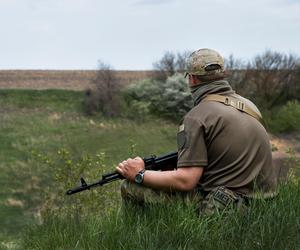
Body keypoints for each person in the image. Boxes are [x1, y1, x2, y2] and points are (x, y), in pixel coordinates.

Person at [116, 48, 277, 214]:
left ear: (192, 79)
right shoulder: (250, 106)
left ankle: (138, 237)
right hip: (265, 203)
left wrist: (139, 174)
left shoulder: (196, 117)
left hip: (226, 207)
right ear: (223, 74)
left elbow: (186, 180)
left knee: (130, 186)